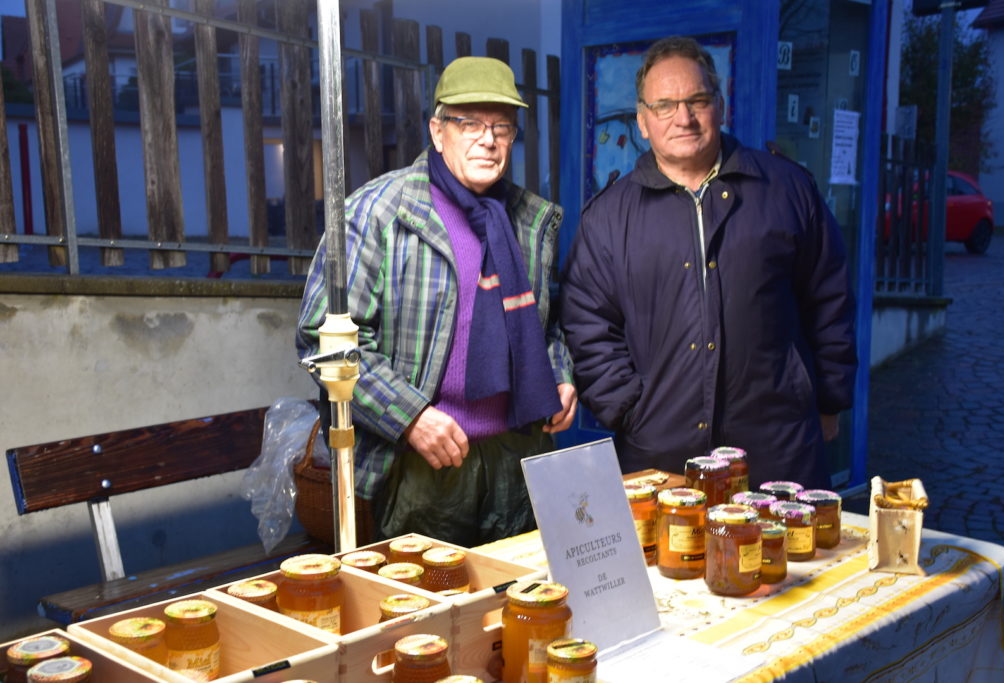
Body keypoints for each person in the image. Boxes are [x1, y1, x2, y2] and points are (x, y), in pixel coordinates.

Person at [297, 56, 576, 547]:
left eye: (502, 127)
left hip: (519, 457)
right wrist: (409, 417)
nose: (487, 140)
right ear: (437, 130)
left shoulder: (529, 222)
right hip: (425, 464)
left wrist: (560, 376)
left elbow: (545, 328)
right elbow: (324, 342)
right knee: (426, 613)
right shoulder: (380, 211)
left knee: (520, 605)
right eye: (469, 123)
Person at [560, 36, 856, 489]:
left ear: (718, 105)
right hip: (659, 454)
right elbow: (586, 323)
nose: (683, 117)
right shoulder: (607, 217)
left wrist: (829, 399)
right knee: (667, 562)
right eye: (665, 106)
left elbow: (829, 297)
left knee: (785, 561)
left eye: (697, 100)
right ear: (642, 120)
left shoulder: (787, 190)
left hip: (779, 448)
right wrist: (628, 410)